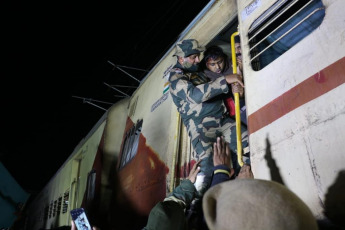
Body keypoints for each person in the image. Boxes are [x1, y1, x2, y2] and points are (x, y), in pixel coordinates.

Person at [168, 39, 250, 196]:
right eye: (194, 57)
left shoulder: (196, 71)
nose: (198, 60)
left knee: (246, 144)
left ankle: (248, 186)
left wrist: (234, 85)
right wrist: (225, 80)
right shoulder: (175, 78)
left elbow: (213, 88)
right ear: (181, 59)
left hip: (222, 120)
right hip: (203, 130)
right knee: (206, 171)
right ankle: (198, 207)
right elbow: (195, 95)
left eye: (198, 56)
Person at [143, 136, 253, 230]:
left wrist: (187, 186)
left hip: (195, 216)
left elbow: (164, 217)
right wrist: (239, 187)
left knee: (207, 158)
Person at [201, 43, 247, 125]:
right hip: (223, 111)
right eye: (213, 64)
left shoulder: (234, 64)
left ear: (224, 58)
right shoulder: (205, 75)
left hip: (241, 101)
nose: (217, 67)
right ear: (206, 65)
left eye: (220, 62)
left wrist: (241, 70)